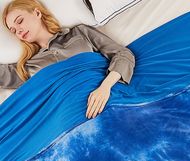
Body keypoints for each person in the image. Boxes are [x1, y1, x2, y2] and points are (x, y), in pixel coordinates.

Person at [0, 0, 135, 119]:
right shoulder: (27, 67)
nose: (18, 30)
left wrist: (105, 87)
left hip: (110, 98)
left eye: (20, 21)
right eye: (13, 30)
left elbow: (123, 54)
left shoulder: (80, 33)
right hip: (68, 119)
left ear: (37, 13)